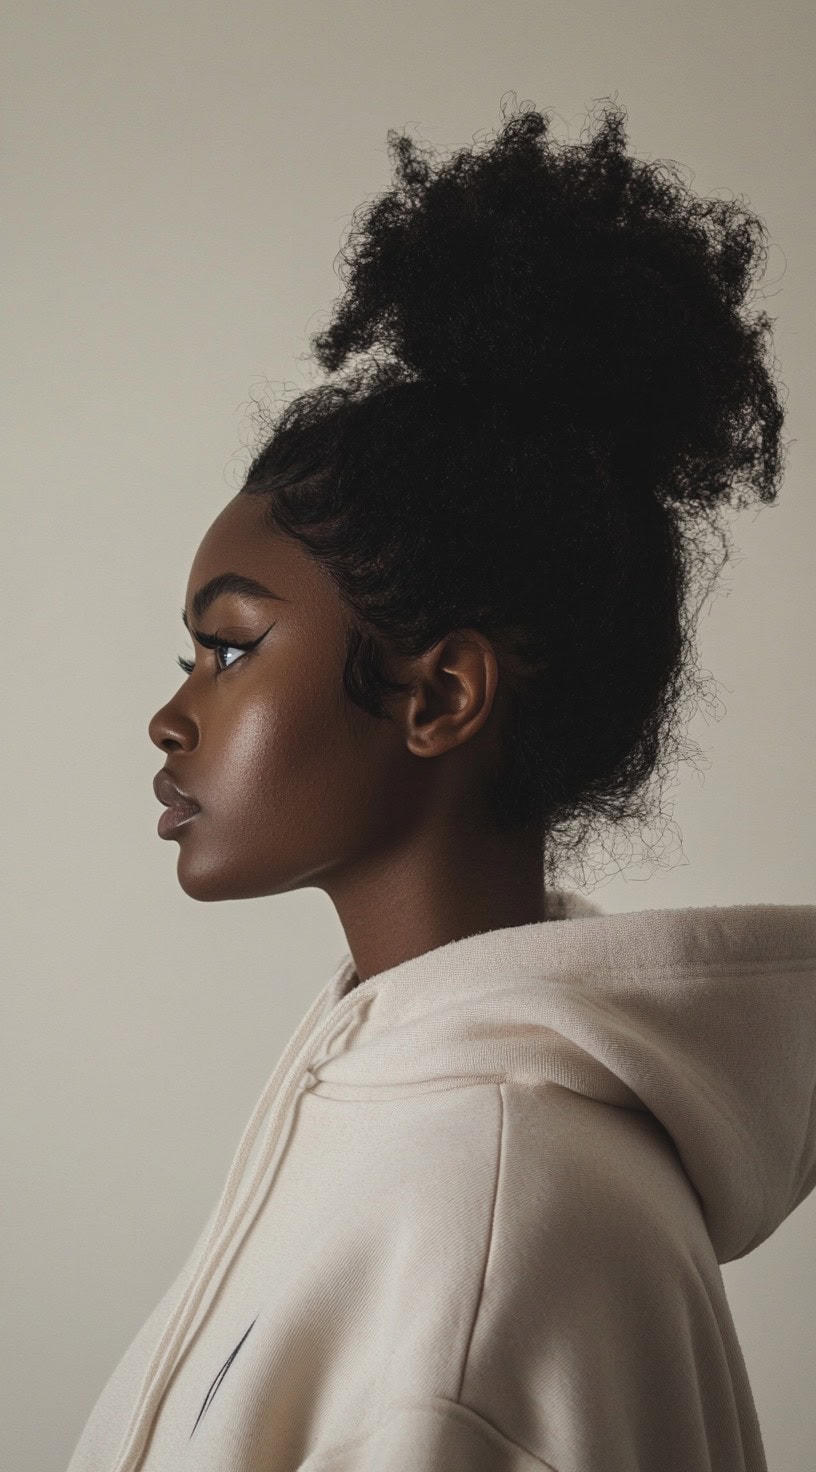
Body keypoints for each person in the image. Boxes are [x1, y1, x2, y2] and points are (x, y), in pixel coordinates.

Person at [67, 95, 816, 1472]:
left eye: (229, 649)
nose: (172, 717)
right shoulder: (386, 1096)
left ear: (440, 696)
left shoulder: (493, 1233)